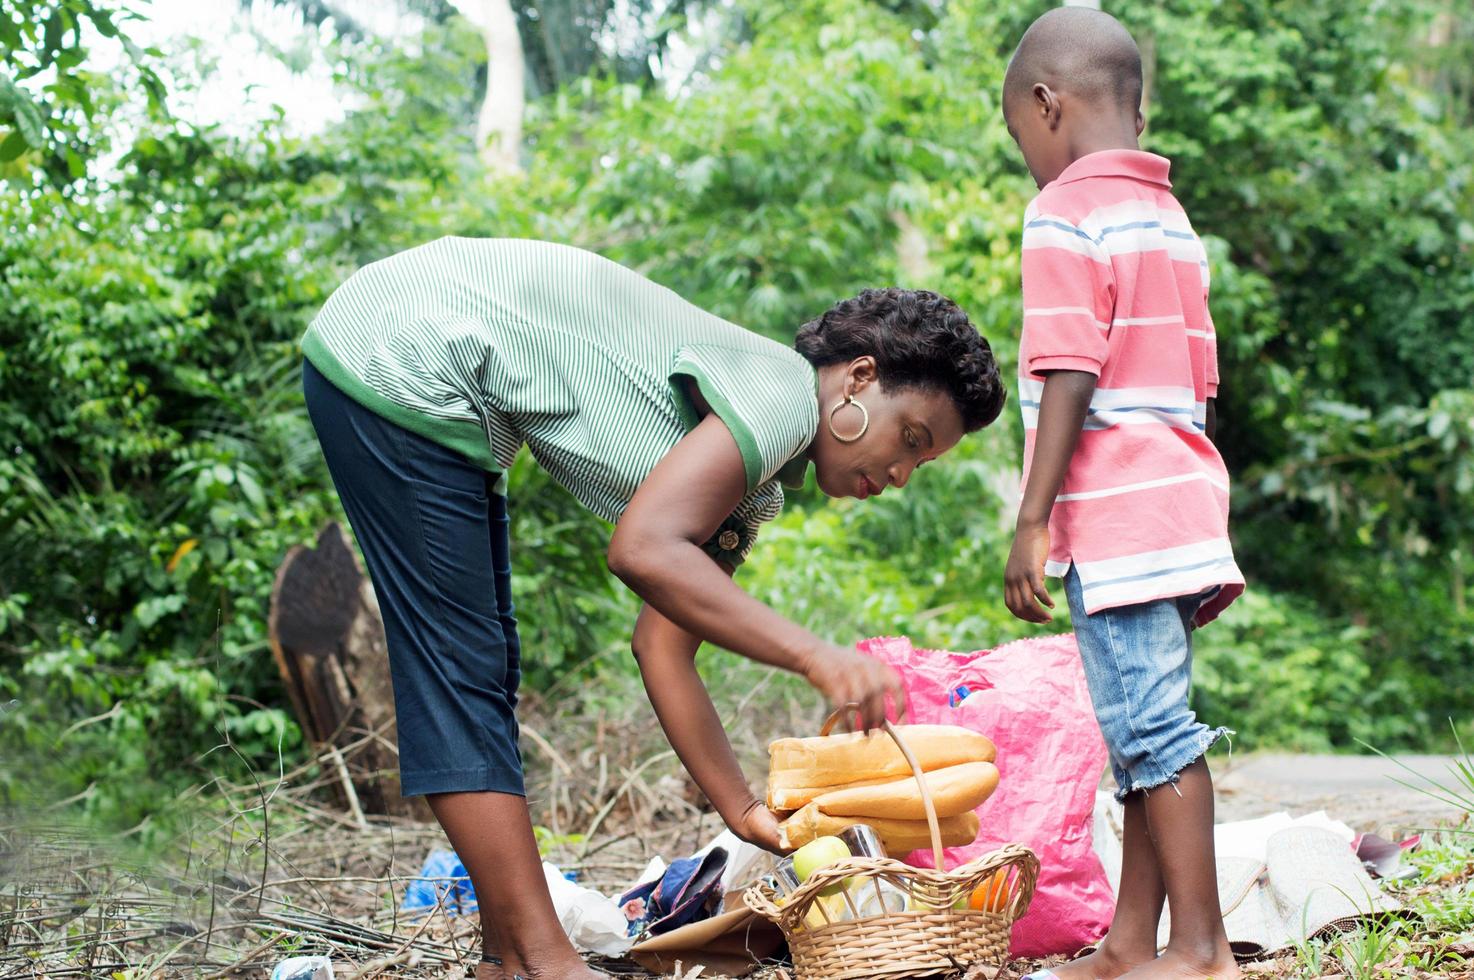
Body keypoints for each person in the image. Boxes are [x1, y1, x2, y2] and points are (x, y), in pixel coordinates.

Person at [300, 236, 1006, 980]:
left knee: (483, 665)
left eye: (919, 465)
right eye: (911, 439)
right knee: (460, 670)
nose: (898, 475)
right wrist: (815, 656)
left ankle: (509, 959)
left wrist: (743, 811)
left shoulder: (753, 486)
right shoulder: (780, 392)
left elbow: (662, 647)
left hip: (441, 378)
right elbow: (643, 549)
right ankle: (546, 961)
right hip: (405, 346)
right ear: (859, 379)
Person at [998, 9, 1245, 980]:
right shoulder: (1169, 220)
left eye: (1019, 131)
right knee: (1139, 730)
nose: (1025, 152)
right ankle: (1127, 943)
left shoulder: (1064, 211)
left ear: (1046, 104)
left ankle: (1199, 946)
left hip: (1116, 516)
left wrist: (1031, 517)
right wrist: (1194, 521)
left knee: (1151, 731)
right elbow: (1200, 385)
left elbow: (1067, 368)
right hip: (1178, 500)